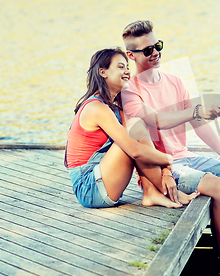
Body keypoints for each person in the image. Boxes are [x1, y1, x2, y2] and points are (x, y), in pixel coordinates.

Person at [121, 20, 220, 262]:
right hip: (162, 167)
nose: (155, 53)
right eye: (147, 50)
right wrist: (196, 111)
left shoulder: (174, 81)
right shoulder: (129, 90)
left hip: (186, 157)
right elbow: (158, 120)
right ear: (130, 55)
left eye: (158, 46)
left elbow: (199, 125)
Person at [65, 47, 202, 209]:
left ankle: (151, 192)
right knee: (131, 141)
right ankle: (167, 192)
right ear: (103, 72)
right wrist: (168, 160)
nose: (127, 72)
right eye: (121, 67)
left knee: (137, 126)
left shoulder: (115, 107)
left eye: (128, 67)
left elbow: (146, 133)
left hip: (103, 178)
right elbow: (135, 151)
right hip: (89, 187)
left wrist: (165, 170)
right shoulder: (96, 107)